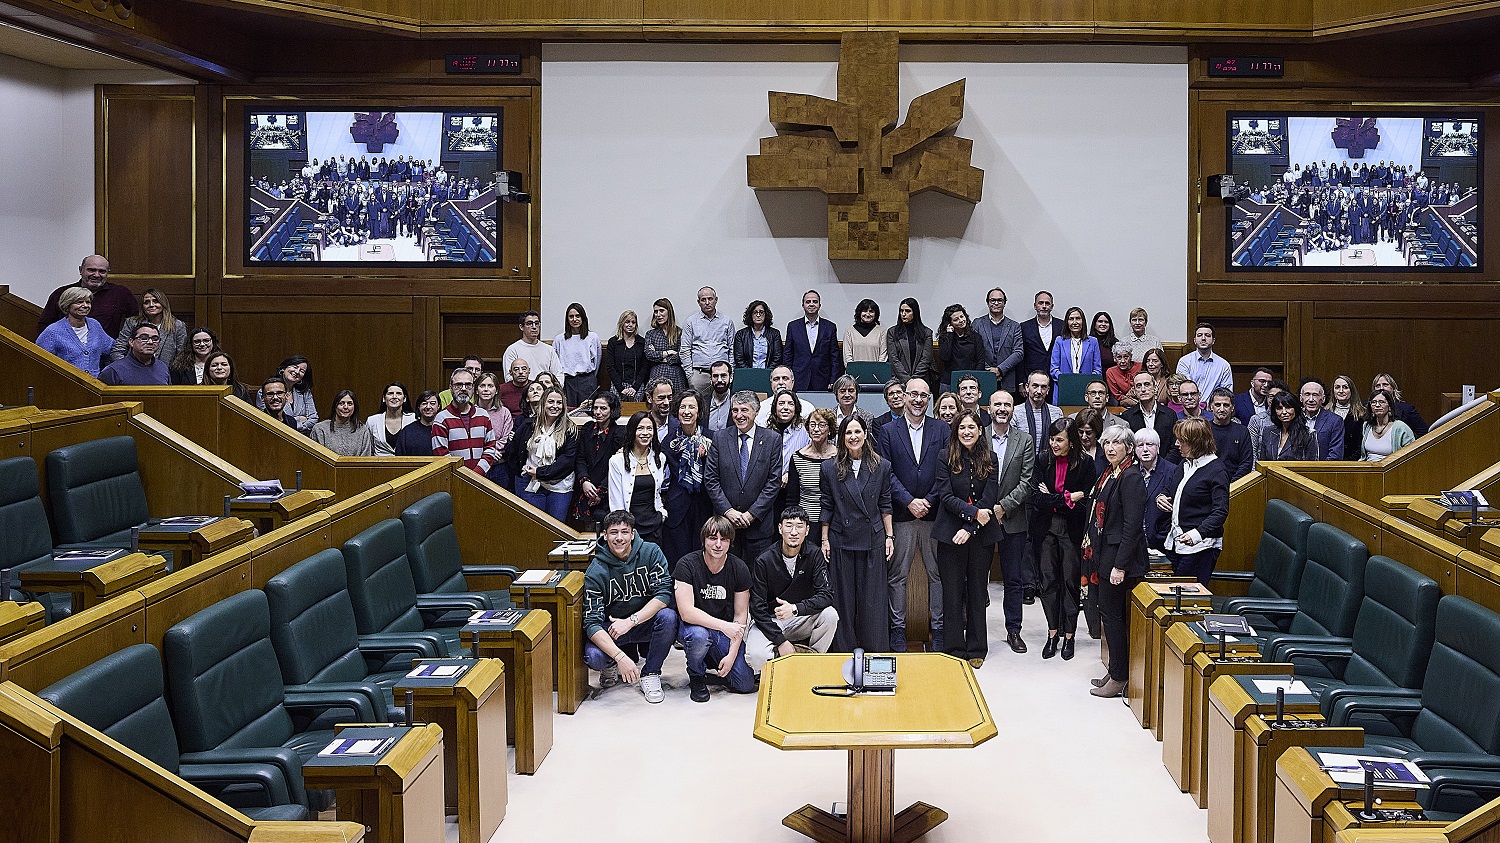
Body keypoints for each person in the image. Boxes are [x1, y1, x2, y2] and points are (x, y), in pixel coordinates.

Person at [875, 377, 948, 652]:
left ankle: (938, 630)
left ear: (929, 399)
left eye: (924, 395)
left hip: (933, 514)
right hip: (902, 515)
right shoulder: (887, 431)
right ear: (904, 396)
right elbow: (886, 472)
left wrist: (927, 500)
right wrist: (909, 501)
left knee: (937, 575)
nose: (918, 400)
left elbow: (946, 470)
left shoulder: (941, 429)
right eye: (914, 394)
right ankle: (898, 629)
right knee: (897, 576)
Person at [582, 510, 677, 703]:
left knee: (668, 617)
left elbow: (663, 595)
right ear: (605, 535)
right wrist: (620, 657)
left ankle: (650, 673)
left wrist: (631, 621)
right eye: (613, 532)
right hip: (612, 628)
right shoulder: (595, 571)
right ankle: (610, 664)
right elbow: (591, 623)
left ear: (632, 534)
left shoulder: (651, 552)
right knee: (594, 656)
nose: (619, 538)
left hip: (643, 622)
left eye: (624, 532)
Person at [1084, 424, 1148, 699]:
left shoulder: (1130, 477)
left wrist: (1120, 566)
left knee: (1113, 617)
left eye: (1116, 443)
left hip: (1119, 559)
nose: (1110, 448)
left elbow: (1132, 526)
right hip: (1105, 553)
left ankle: (1120, 676)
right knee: (1108, 616)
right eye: (1107, 443)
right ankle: (1114, 670)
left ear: (1129, 448)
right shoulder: (1111, 473)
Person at [821, 414, 894, 652]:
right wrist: (824, 539)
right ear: (842, 437)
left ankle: (875, 651)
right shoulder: (829, 467)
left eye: (857, 432)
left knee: (873, 601)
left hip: (873, 539)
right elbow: (827, 505)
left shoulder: (882, 465)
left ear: (865, 434)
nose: (853, 437)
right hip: (841, 539)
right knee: (842, 600)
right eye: (848, 433)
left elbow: (885, 504)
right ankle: (843, 652)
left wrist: (889, 537)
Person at [934, 411, 1000, 667]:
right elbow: (946, 496)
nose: (967, 432)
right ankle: (953, 647)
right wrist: (972, 515)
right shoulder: (945, 457)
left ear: (980, 430)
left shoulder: (990, 458)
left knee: (977, 592)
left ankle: (976, 648)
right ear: (956, 431)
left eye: (972, 427)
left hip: (981, 536)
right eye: (962, 427)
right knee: (952, 593)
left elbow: (990, 497)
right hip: (950, 534)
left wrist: (970, 528)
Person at [1031, 418, 1095, 661]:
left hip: (1072, 530)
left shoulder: (1086, 463)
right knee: (1048, 582)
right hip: (1045, 529)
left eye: (1059, 440)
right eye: (1051, 439)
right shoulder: (1042, 459)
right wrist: (1068, 498)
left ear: (1072, 442)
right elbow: (1036, 497)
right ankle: (1052, 634)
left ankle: (1069, 635)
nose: (1053, 444)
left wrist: (1055, 498)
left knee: (1070, 583)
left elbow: (1086, 502)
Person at [747, 507, 839, 672]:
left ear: (807, 530)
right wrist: (780, 641)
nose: (794, 532)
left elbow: (826, 594)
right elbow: (757, 608)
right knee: (756, 657)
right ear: (780, 528)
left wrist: (796, 609)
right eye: (789, 526)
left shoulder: (814, 554)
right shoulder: (764, 560)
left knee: (830, 615)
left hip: (799, 618)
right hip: (771, 620)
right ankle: (781, 661)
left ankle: (810, 665)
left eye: (799, 526)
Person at [674, 516, 756, 702]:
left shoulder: (739, 568)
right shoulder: (687, 564)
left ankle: (712, 664)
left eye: (724, 539)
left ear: (730, 542)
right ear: (703, 540)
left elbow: (740, 616)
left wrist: (731, 655)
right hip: (693, 627)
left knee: (744, 684)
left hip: (722, 631)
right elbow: (686, 612)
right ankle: (696, 675)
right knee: (699, 636)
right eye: (712, 538)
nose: (718, 544)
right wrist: (724, 626)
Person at [705, 390, 783, 563]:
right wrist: (728, 511)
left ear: (756, 412)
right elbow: (711, 479)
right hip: (725, 526)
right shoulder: (720, 438)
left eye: (744, 410)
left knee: (759, 575)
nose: (739, 415)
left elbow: (773, 482)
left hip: (759, 527)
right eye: (735, 410)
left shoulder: (772, 439)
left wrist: (751, 514)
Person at [985, 389, 1035, 653]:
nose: (1002, 408)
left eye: (1007, 404)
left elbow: (1027, 482)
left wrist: (1003, 507)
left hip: (1013, 519)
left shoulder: (1024, 440)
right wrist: (986, 509)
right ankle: (976, 632)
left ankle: (1013, 630)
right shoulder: (978, 435)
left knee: (1014, 579)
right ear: (989, 408)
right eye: (998, 404)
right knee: (976, 579)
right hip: (981, 519)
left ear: (1013, 409)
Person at [1160, 418, 1229, 585]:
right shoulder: (1185, 464)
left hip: (1201, 547)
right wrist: (1161, 496)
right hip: (1176, 542)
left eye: (1181, 441)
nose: (1176, 444)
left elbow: (1220, 512)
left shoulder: (1217, 471)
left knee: (1186, 596)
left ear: (1196, 442)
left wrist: (1197, 533)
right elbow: (1171, 488)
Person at [663, 391, 713, 565]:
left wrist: (705, 455)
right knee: (678, 559)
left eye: (691, 407)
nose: (686, 411)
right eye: (682, 407)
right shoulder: (669, 441)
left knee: (703, 557)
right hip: (677, 506)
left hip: (704, 505)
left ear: (699, 412)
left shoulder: (712, 438)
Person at [514, 386, 578, 521]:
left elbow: (567, 461)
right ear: (543, 403)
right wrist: (521, 471)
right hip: (531, 482)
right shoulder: (529, 425)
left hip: (559, 485)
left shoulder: (570, 429)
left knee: (555, 527)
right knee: (534, 526)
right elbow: (514, 450)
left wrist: (540, 472)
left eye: (559, 402)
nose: (555, 406)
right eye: (551, 402)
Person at [37, 254, 137, 339]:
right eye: (91, 270)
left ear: (108, 272)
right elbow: (44, 325)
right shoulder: (61, 293)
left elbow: (135, 323)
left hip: (107, 352)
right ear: (81, 270)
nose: (96, 275)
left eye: (102, 271)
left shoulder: (121, 294)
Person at [609, 412, 669, 546]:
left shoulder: (660, 458)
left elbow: (658, 493)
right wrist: (623, 530)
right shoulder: (617, 461)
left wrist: (662, 514)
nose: (645, 433)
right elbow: (616, 501)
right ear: (632, 431)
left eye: (649, 428)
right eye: (640, 428)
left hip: (654, 525)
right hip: (629, 527)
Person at [432, 369, 501, 474]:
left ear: (473, 388)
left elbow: (490, 448)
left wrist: (476, 474)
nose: (463, 389)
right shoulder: (441, 419)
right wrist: (463, 476)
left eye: (468, 385)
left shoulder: (483, 415)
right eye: (458, 385)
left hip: (480, 478)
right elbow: (441, 454)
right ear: (450, 387)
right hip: (454, 478)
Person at [36, 286, 112, 377]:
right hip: (66, 382)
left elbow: (111, 348)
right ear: (67, 305)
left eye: (88, 302)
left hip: (95, 383)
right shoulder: (52, 331)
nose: (85, 305)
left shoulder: (94, 325)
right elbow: (39, 360)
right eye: (79, 302)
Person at [786, 407, 837, 537]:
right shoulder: (797, 457)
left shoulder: (840, 457)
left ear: (830, 429)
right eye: (812, 425)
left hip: (835, 522)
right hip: (806, 522)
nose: (816, 429)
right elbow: (792, 498)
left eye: (822, 425)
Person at [573, 391, 621, 528]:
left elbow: (618, 466)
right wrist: (584, 481)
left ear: (612, 410)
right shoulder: (588, 428)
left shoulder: (619, 433)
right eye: (595, 408)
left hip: (607, 491)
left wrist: (599, 492)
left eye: (603, 408)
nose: (598, 412)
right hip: (585, 488)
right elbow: (580, 458)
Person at [681, 286, 734, 404]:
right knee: (698, 407)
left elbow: (732, 349)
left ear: (716, 300)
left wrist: (731, 373)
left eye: (710, 299)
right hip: (699, 375)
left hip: (722, 375)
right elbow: (684, 350)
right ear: (698, 302)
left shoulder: (727, 321)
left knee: (723, 406)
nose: (707, 302)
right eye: (703, 300)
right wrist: (690, 376)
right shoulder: (691, 322)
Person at [109, 289, 186, 370]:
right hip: (132, 370)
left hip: (164, 372)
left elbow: (181, 356)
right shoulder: (132, 323)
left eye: (156, 301)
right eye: (146, 302)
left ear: (163, 304)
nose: (151, 305)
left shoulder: (177, 326)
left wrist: (166, 373)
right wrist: (127, 369)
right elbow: (117, 350)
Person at [785, 289, 841, 392]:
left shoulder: (830, 327)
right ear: (803, 305)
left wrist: (834, 379)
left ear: (820, 305)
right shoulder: (793, 326)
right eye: (808, 302)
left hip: (822, 379)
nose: (811, 304)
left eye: (815, 302)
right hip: (798, 379)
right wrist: (787, 378)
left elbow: (834, 356)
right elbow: (788, 355)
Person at [1137, 427, 1181, 554]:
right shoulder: (1130, 472)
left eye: (1150, 445)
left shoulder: (1173, 471)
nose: (1145, 449)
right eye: (1140, 445)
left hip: (1163, 541)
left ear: (1158, 447)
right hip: (1137, 543)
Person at [973, 287, 1024, 393]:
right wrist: (990, 371)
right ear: (988, 303)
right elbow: (973, 350)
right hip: (983, 377)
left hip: (1007, 378)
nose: (996, 303)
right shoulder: (977, 324)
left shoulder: (1015, 326)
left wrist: (1000, 370)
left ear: (1004, 303)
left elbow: (1019, 353)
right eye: (993, 300)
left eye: (1000, 300)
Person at [1124, 370, 1179, 460]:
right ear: (1134, 391)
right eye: (1139, 386)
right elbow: (1127, 448)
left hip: (1166, 465)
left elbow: (1175, 445)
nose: (1143, 389)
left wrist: (1164, 465)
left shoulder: (1170, 414)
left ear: (1155, 387)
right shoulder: (1127, 416)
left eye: (1147, 384)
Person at [554, 302, 601, 408]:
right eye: (571, 316)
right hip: (567, 381)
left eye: (578, 316)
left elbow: (597, 360)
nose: (574, 319)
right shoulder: (559, 339)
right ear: (567, 319)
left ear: (583, 317)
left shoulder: (592, 337)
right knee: (568, 411)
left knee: (587, 411)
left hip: (587, 380)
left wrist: (590, 377)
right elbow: (555, 363)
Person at [1050, 306, 1102, 401]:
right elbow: (1054, 369)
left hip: (1087, 390)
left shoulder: (1093, 341)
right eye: (1071, 319)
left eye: (1078, 318)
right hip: (1064, 389)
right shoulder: (1059, 341)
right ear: (1067, 322)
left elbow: (1097, 370)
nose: (1075, 322)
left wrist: (1086, 383)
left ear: (1083, 321)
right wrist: (1067, 381)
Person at [502, 310, 564, 387]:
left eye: (536, 323)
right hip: (522, 392)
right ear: (521, 327)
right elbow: (509, 377)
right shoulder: (512, 350)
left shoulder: (549, 350)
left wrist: (552, 390)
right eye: (529, 324)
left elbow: (558, 374)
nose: (534, 327)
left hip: (546, 392)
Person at [887, 297, 936, 393]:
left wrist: (914, 380)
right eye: (901, 311)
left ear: (915, 312)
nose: (903, 314)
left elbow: (926, 359)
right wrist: (907, 380)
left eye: (907, 311)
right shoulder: (892, 332)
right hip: (899, 380)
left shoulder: (926, 332)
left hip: (921, 379)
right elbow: (893, 359)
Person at [258, 356, 317, 433]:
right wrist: (297, 421)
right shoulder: (265, 392)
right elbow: (268, 419)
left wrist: (293, 425)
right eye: (295, 367)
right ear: (283, 368)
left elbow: (313, 419)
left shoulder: (305, 392)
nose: (297, 371)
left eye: (302, 371)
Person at [98, 322, 169, 385]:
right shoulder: (113, 370)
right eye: (144, 338)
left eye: (155, 339)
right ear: (131, 342)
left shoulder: (162, 368)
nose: (150, 342)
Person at [1258, 391, 1320, 461]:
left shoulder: (1308, 434)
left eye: (1288, 407)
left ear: (1296, 409)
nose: (1284, 412)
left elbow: (1311, 464)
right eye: (1279, 408)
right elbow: (1262, 462)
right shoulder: (1268, 432)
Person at [311, 390, 376, 456]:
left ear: (354, 407)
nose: (345, 407)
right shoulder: (320, 429)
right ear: (335, 406)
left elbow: (365, 458)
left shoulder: (362, 430)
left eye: (349, 404)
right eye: (341, 403)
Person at [643, 297, 687, 393]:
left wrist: (660, 358)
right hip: (657, 373)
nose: (658, 315)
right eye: (656, 312)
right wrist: (669, 352)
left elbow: (681, 355)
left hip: (675, 374)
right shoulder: (651, 334)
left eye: (661, 311)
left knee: (677, 400)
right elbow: (649, 354)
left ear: (669, 312)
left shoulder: (679, 332)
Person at [1175, 322, 1233, 394]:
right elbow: (1182, 390)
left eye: (1207, 335)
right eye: (1199, 335)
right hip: (1189, 401)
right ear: (1194, 340)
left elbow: (1226, 394)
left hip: (1213, 401)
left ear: (1213, 341)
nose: (1203, 338)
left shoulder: (1223, 365)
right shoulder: (1184, 362)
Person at [1208, 388, 1253, 481]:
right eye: (1217, 405)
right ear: (1211, 407)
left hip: (1235, 484)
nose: (1222, 409)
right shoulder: (1204, 430)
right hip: (1207, 484)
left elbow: (1246, 463)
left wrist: (1232, 484)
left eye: (1226, 405)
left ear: (1232, 407)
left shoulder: (1242, 431)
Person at [604, 310, 648, 402]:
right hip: (617, 386)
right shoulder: (614, 342)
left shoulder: (641, 342)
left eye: (633, 322)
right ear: (622, 323)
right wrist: (621, 388)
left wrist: (635, 387)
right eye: (627, 322)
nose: (630, 325)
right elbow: (610, 366)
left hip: (637, 387)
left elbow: (644, 367)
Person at [474, 372, 515, 466]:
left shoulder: (504, 412)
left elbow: (506, 438)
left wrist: (492, 450)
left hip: (499, 461)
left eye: (490, 386)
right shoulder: (470, 412)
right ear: (476, 390)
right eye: (482, 386)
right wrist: (489, 452)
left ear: (496, 391)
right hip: (476, 461)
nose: (486, 389)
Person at [938, 304, 986, 385]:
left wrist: (974, 379)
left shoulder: (975, 337)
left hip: (971, 379)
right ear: (950, 323)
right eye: (956, 319)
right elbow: (945, 357)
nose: (961, 320)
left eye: (962, 316)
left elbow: (980, 361)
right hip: (950, 380)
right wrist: (949, 334)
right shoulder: (945, 337)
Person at [1362, 389, 1415, 462]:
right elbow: (1363, 456)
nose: (1377, 405)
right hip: (1367, 467)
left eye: (1382, 402)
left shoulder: (1401, 427)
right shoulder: (1367, 426)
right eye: (1374, 402)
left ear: (1389, 406)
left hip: (1392, 467)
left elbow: (1411, 456)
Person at [767, 389, 811, 476]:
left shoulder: (805, 431)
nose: (786, 407)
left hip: (797, 479)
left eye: (791, 404)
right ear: (775, 408)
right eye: (781, 403)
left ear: (796, 409)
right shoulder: (766, 431)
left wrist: (789, 474)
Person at [1020, 290, 1060, 383]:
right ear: (1035, 306)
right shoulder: (1024, 327)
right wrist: (1021, 382)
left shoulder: (1061, 326)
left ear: (1052, 306)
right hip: (1032, 379)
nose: (1044, 306)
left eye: (1047, 303)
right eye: (1041, 303)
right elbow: (1021, 357)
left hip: (1056, 379)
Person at [364, 382, 414, 457]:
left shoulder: (413, 419)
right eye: (390, 393)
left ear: (404, 399)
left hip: (405, 462)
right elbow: (369, 449)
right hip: (380, 463)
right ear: (384, 398)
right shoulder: (372, 421)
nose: (394, 396)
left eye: (398, 393)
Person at [1299, 378, 1344, 460]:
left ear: (1323, 399)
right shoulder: (1294, 418)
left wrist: (1319, 467)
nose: (1311, 399)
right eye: (1307, 394)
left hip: (1323, 467)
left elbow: (1335, 455)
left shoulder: (1335, 421)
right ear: (1301, 398)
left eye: (1315, 395)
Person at [733, 299, 783, 371]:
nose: (758, 315)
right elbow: (739, 359)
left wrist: (767, 373)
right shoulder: (741, 335)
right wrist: (750, 373)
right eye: (755, 312)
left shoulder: (775, 334)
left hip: (769, 373)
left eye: (761, 312)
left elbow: (777, 358)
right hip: (747, 374)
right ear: (750, 315)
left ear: (766, 315)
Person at [1016, 370, 1063, 445]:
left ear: (1048, 390)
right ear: (1027, 387)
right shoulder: (1015, 412)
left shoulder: (1057, 413)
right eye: (1035, 386)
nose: (1039, 391)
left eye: (1043, 387)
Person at [1330, 374, 1368, 460]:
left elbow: (1362, 445)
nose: (1341, 391)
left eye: (1345, 387)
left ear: (1352, 391)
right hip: (1329, 461)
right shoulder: (1326, 412)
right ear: (1333, 391)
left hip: (1353, 461)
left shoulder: (1362, 413)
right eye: (1337, 387)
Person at [842, 298, 887, 363]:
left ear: (876, 314)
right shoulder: (849, 331)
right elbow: (847, 357)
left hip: (876, 369)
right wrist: (853, 368)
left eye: (871, 311)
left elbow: (883, 356)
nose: (868, 314)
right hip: (854, 369)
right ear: (859, 312)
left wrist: (877, 368)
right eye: (865, 311)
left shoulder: (882, 331)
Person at [705, 360, 733, 432]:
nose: (719, 380)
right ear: (710, 379)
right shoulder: (703, 402)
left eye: (723, 376)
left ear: (731, 378)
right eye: (715, 376)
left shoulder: (737, 401)